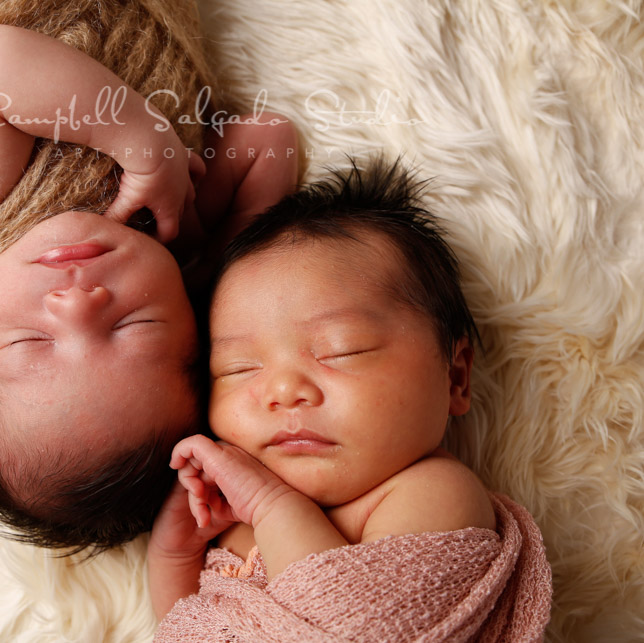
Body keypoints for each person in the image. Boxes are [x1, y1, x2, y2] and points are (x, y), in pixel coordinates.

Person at [0, 24, 299, 553]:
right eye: (133, 325)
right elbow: (268, 138)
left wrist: (144, 147)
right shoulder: (169, 240)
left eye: (30, 341)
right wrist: (221, 265)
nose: (76, 304)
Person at [148, 158, 552, 639]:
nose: (283, 391)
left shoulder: (431, 492)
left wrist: (272, 505)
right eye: (238, 368)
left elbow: (357, 628)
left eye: (343, 350)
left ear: (456, 377)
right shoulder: (237, 516)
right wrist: (173, 553)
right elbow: (186, 628)